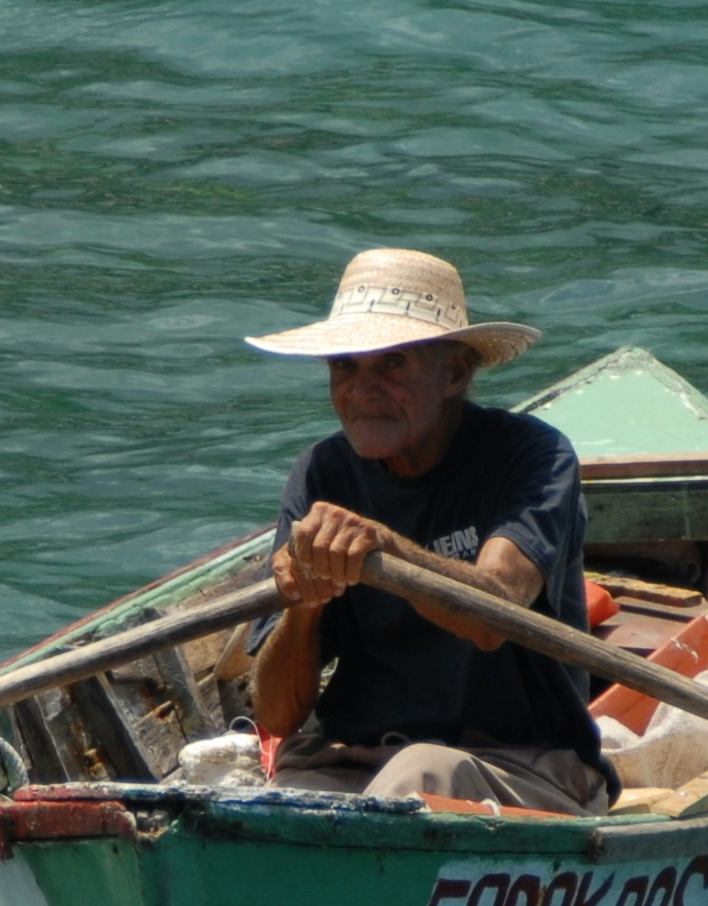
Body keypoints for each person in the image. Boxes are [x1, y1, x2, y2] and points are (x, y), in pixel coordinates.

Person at [245, 249, 616, 812]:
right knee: (282, 805)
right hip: (358, 756)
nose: (361, 391)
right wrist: (305, 603)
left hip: (519, 764)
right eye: (344, 366)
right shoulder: (322, 473)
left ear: (455, 373)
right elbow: (273, 715)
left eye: (392, 364)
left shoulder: (532, 456)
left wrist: (385, 547)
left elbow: (497, 611)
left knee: (413, 780)